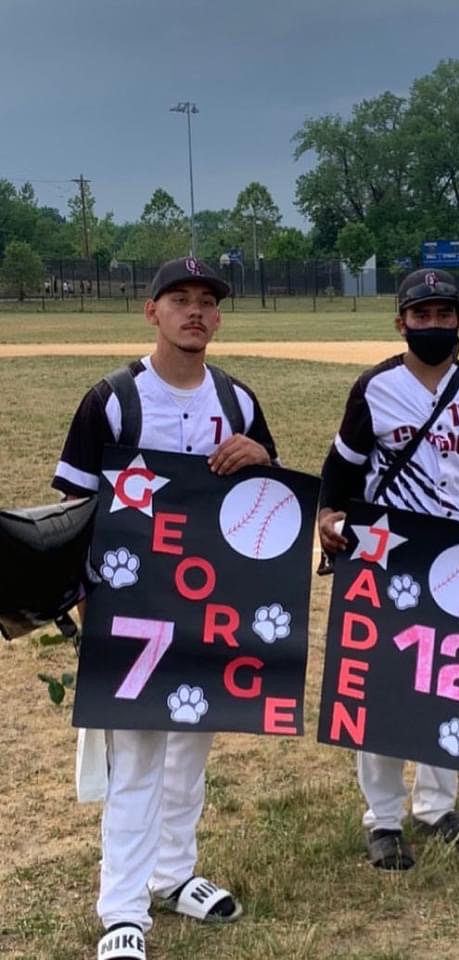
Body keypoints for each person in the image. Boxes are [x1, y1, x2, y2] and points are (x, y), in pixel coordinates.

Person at [53, 257, 279, 960]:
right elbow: (72, 511)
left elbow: (267, 508)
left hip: (212, 603)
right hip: (134, 604)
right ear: (150, 311)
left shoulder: (238, 400)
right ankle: (122, 907)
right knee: (139, 754)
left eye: (208, 301)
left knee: (191, 746)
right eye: (179, 299)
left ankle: (173, 873)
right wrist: (87, 609)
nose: (195, 312)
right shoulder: (115, 400)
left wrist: (261, 459)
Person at [318, 267, 459, 871]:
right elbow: (342, 466)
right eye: (421, 315)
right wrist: (328, 516)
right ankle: (382, 817)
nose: (433, 325)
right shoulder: (375, 387)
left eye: (444, 314)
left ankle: (438, 805)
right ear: (401, 321)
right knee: (382, 685)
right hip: (390, 551)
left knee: (451, 679)